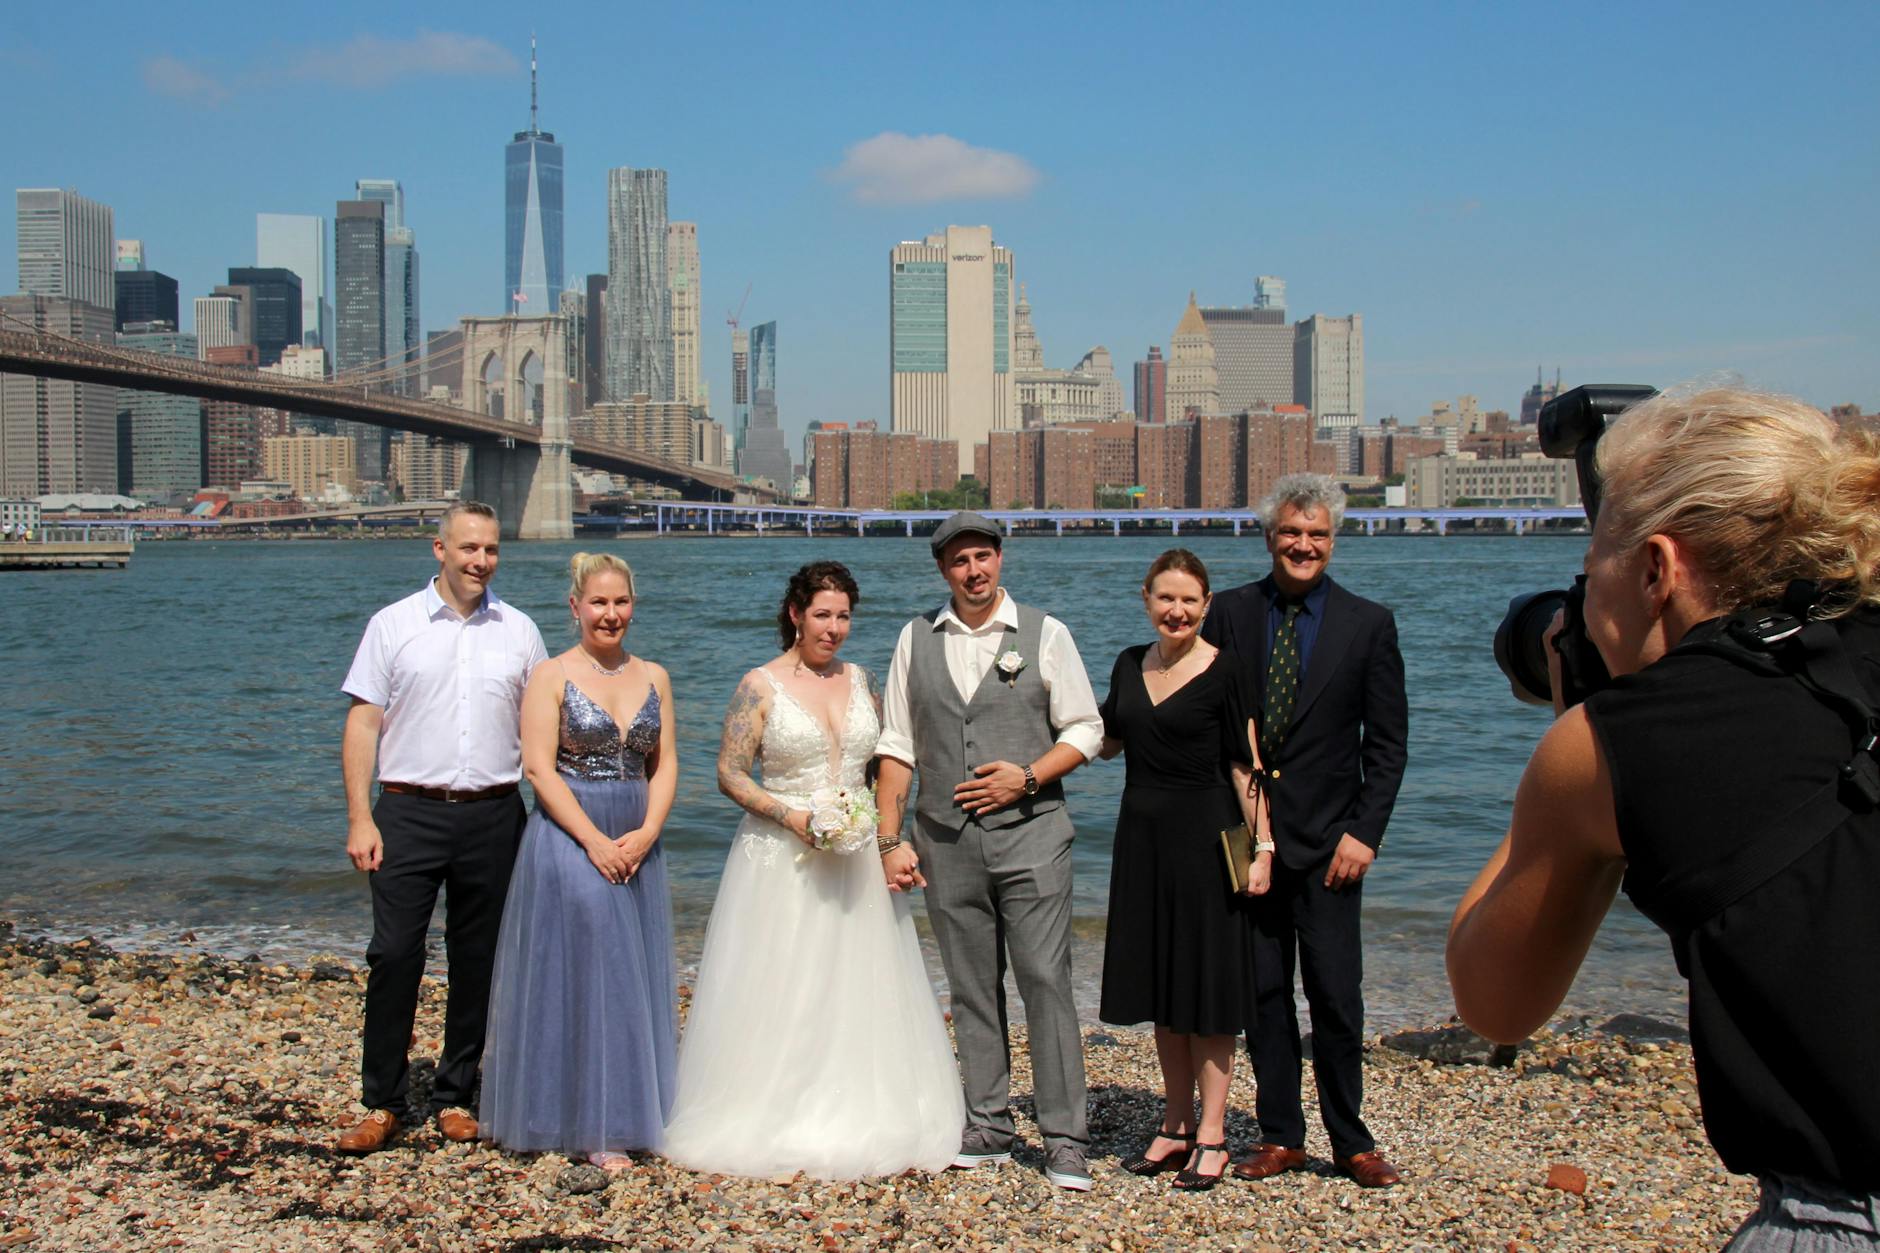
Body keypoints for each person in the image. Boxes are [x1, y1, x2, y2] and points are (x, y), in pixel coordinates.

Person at [1448, 388, 1880, 1248]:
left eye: (1593, 554)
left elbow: (1494, 998)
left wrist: (1575, 746)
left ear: (1656, 568)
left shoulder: (1619, 742)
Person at [660, 561, 964, 1179]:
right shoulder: (759, 685)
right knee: (783, 981)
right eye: (822, 614)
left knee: (859, 981)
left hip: (853, 856)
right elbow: (729, 772)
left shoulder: (863, 680)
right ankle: (770, 1108)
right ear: (796, 614)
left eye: (844, 616)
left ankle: (863, 1106)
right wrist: (790, 815)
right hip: (780, 857)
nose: (834, 628)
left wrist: (888, 839)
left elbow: (883, 765)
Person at [875, 512, 1106, 1192]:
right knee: (972, 987)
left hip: (1034, 836)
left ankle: (1065, 1136)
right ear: (942, 569)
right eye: (958, 561)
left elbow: (1087, 728)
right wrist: (891, 839)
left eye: (983, 556)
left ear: (1000, 558)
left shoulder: (1046, 633)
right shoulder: (914, 639)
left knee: (1044, 979)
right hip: (946, 842)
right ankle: (988, 1121)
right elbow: (896, 745)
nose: (973, 570)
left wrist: (1028, 775)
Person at [1199, 473, 1409, 1189]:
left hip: (1331, 845)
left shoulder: (1368, 623)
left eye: (1317, 534)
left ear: (1333, 540)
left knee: (1336, 996)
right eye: (1291, 531)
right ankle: (1281, 1134)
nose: (1303, 544)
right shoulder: (1226, 614)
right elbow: (1207, 721)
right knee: (1263, 996)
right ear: (1268, 537)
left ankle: (1352, 1139)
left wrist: (1365, 832)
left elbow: (1387, 744)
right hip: (1247, 839)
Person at [336, 500, 547, 1154]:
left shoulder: (520, 631)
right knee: (394, 953)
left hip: (494, 813)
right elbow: (363, 723)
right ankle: (384, 1099)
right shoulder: (392, 625)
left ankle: (456, 1093)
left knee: (478, 960)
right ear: (439, 549)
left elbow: (543, 733)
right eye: (468, 548)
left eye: (490, 550)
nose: (480, 560)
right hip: (407, 809)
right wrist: (360, 815)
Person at [479, 552, 678, 1166]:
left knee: (629, 974)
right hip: (571, 836)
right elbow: (538, 766)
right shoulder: (551, 675)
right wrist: (593, 839)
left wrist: (647, 831)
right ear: (575, 607)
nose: (610, 614)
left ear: (633, 606)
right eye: (598, 602)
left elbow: (665, 763)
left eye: (621, 602)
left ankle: (626, 1111)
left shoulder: (655, 676)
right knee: (597, 965)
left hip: (636, 835)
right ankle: (596, 1126)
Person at [1097, 549, 1273, 1192]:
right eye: (1165, 598)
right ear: (1146, 598)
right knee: (1164, 993)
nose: (1177, 611)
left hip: (1206, 839)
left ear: (1206, 605)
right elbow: (1106, 740)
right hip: (1140, 842)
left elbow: (1244, 767)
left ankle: (1213, 1134)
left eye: (1189, 601)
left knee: (1207, 993)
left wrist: (1265, 849)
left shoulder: (1227, 670)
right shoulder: (1126, 664)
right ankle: (1173, 1124)